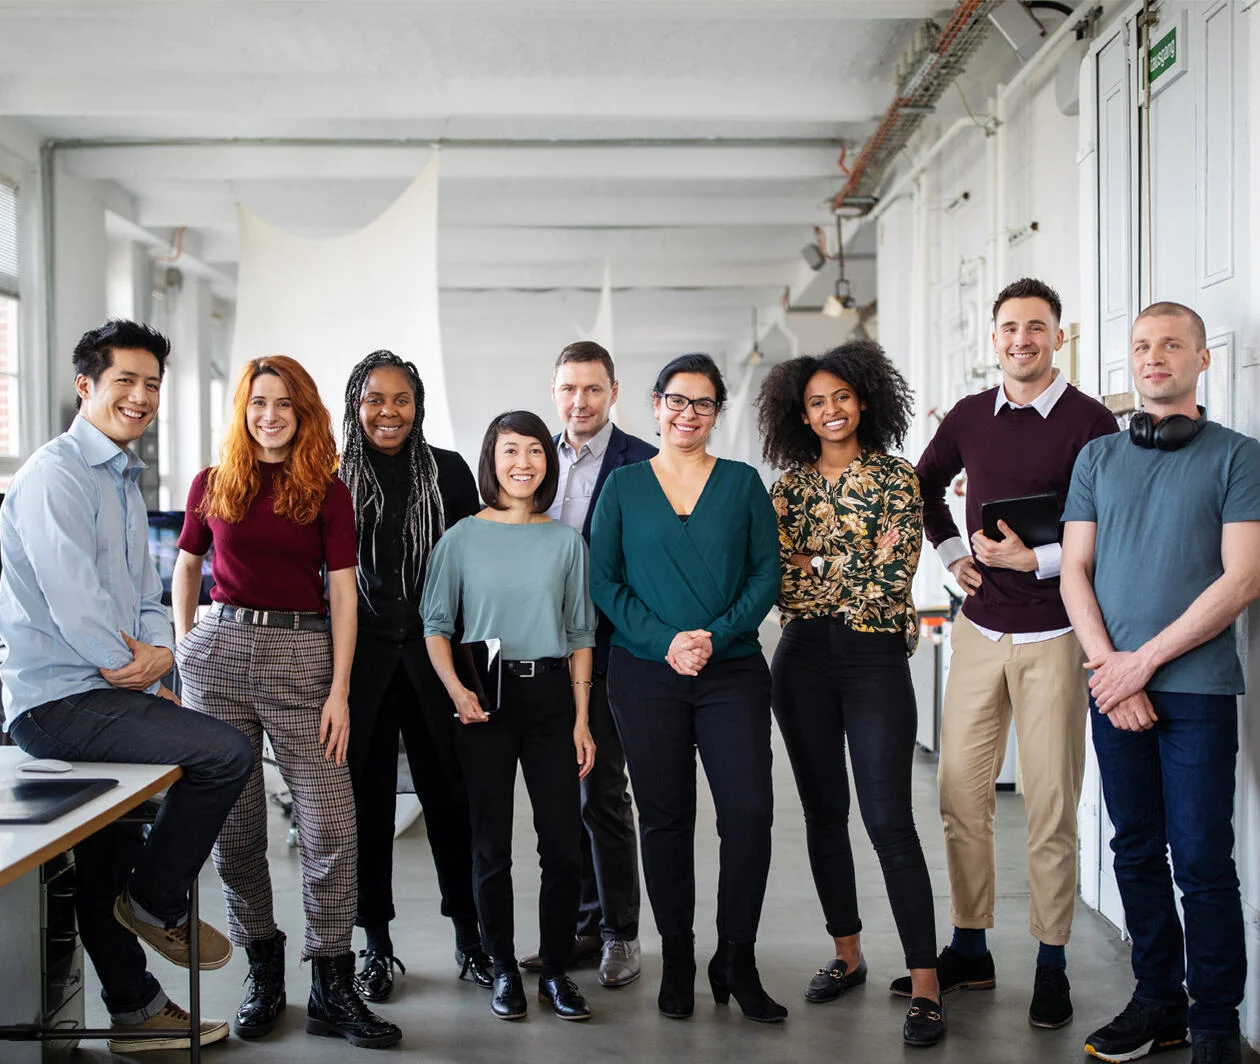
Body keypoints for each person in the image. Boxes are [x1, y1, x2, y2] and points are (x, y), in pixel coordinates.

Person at [0, 319, 253, 1054]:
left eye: (152, 385)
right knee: (227, 753)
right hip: (59, 702)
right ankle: (154, 902)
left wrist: (158, 657)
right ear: (86, 386)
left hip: (109, 690)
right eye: (125, 382)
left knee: (107, 847)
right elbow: (76, 606)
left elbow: (151, 595)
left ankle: (135, 1011)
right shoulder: (54, 476)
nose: (141, 397)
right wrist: (136, 669)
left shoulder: (120, 479)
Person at [171, 355, 401, 1049]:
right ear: (244, 411)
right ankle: (262, 968)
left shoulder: (326, 492)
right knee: (236, 831)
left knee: (331, 825)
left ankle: (331, 983)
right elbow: (188, 566)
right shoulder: (213, 484)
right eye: (258, 403)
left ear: (304, 414)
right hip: (222, 654)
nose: (270, 415)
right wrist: (185, 653)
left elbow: (341, 593)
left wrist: (340, 690)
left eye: (284, 405)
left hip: (304, 660)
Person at [914, 277, 1117, 1029]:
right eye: (1009, 328)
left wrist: (1042, 562)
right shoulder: (970, 416)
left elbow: (1110, 519)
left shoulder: (1092, 422)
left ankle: (1053, 960)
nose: (1021, 339)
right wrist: (952, 553)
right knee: (959, 794)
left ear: (1058, 338)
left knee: (1050, 804)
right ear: (993, 338)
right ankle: (970, 947)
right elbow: (923, 487)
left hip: (1058, 631)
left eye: (1036, 327)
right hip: (978, 628)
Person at [1060, 303, 1260, 1064]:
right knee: (1135, 850)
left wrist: (1139, 664)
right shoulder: (1098, 460)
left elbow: (1243, 579)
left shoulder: (1239, 457)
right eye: (1143, 346)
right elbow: (1075, 572)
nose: (1155, 357)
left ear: (1201, 360)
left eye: (1172, 345)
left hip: (1198, 688)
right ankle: (1158, 1003)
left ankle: (1215, 1023)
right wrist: (1114, 668)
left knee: (1203, 857)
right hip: (1112, 682)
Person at [755, 341, 944, 1047]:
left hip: (873, 662)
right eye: (816, 403)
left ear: (864, 401)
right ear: (799, 416)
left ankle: (925, 983)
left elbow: (890, 580)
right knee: (823, 812)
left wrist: (818, 563)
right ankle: (848, 953)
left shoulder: (897, 477)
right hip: (800, 660)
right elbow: (783, 583)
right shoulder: (788, 490)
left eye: (841, 397)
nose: (830, 410)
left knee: (890, 817)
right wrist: (840, 564)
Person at [589, 352, 785, 1023]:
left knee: (749, 817)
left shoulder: (742, 484)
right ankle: (677, 955)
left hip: (729, 670)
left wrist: (712, 635)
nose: (687, 414)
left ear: (717, 412)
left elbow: (766, 576)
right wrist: (665, 641)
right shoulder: (622, 488)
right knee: (666, 819)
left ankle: (737, 956)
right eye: (676, 400)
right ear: (654, 403)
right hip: (645, 675)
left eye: (702, 403)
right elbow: (604, 583)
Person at [422, 410, 598, 1022]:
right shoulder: (461, 538)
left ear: (548, 463)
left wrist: (581, 719)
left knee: (563, 847)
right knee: (490, 847)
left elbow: (580, 634)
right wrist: (455, 692)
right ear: (491, 460)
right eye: (509, 450)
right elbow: (437, 627)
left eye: (534, 451)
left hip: (552, 699)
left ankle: (553, 970)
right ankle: (502, 968)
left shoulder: (565, 541)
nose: (523, 462)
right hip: (483, 703)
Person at [338, 350, 492, 1001]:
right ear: (356, 405)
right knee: (366, 811)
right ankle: (376, 947)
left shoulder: (451, 474)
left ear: (418, 406)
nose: (389, 412)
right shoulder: (333, 480)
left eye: (401, 399)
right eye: (376, 399)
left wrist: (479, 672)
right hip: (363, 663)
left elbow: (477, 573)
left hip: (437, 662)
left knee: (452, 803)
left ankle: (470, 939)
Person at [517, 341, 654, 988]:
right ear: (554, 391)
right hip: (540, 653)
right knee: (557, 801)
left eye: (593, 389)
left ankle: (620, 933)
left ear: (614, 392)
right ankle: (574, 929)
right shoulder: (530, 458)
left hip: (606, 654)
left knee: (600, 793)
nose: (580, 401)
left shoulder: (644, 465)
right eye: (569, 389)